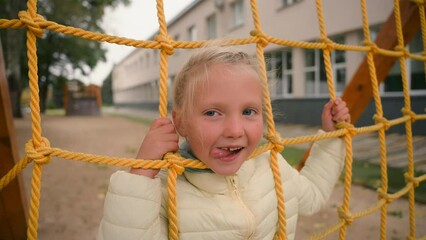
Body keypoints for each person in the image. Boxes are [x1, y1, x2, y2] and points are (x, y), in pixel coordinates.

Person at [97, 47, 350, 240]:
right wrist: (142, 172)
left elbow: (313, 196)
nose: (234, 130)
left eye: (249, 112)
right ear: (180, 123)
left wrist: (330, 137)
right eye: (212, 113)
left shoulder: (271, 166)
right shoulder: (166, 188)